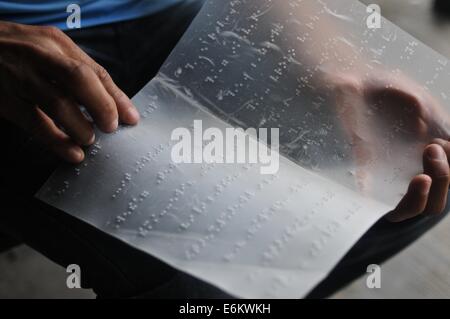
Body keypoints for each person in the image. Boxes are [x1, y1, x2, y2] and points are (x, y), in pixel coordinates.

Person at [0, 0, 448, 298]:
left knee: (415, 168)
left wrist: (337, 66)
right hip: (20, 50)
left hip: (173, 8)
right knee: (202, 283)